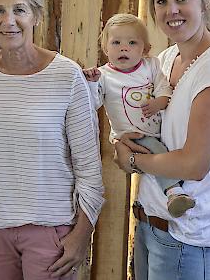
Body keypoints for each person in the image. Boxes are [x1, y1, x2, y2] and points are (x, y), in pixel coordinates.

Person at [0, 0, 105, 280]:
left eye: (19, 10)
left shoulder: (67, 77)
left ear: (37, 16)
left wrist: (82, 233)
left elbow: (89, 169)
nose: (8, 20)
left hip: (51, 234)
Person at [113, 0, 210, 280]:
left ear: (205, 1)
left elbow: (193, 165)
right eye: (162, 1)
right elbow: (139, 118)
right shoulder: (166, 58)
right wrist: (121, 139)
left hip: (186, 237)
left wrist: (131, 158)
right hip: (151, 222)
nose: (171, 10)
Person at [84, 13, 195, 218]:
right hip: (133, 136)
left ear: (145, 49)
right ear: (105, 49)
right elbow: (93, 103)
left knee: (162, 156)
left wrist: (158, 102)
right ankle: (174, 193)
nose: (123, 48)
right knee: (156, 151)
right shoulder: (105, 76)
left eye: (132, 43)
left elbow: (164, 88)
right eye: (116, 42)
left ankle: (166, 196)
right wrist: (91, 83)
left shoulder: (151, 65)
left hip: (158, 129)